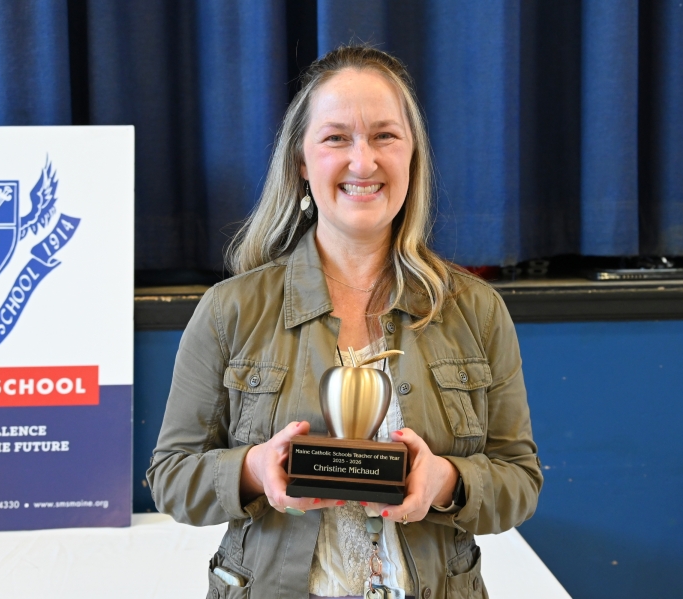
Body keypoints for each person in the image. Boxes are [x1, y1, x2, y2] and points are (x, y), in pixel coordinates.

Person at [147, 45, 542, 599]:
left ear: (411, 158)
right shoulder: (229, 310)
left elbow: (520, 480)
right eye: (336, 138)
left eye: (385, 136)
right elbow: (171, 478)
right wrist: (255, 469)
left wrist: (446, 481)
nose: (363, 161)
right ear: (302, 163)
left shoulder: (475, 311)